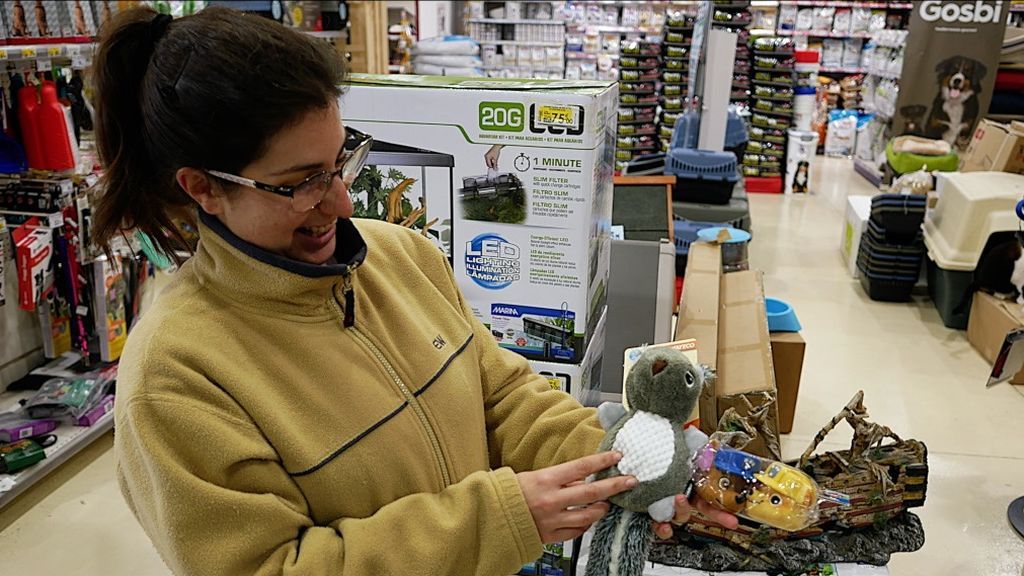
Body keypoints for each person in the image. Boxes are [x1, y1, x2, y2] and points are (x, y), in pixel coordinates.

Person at [95, 8, 735, 576]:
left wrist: (635, 462)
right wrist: (501, 520)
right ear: (204, 188)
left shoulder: (401, 257)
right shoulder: (175, 378)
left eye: (341, 162)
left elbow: (504, 395)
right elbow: (272, 566)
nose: (343, 203)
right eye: (301, 183)